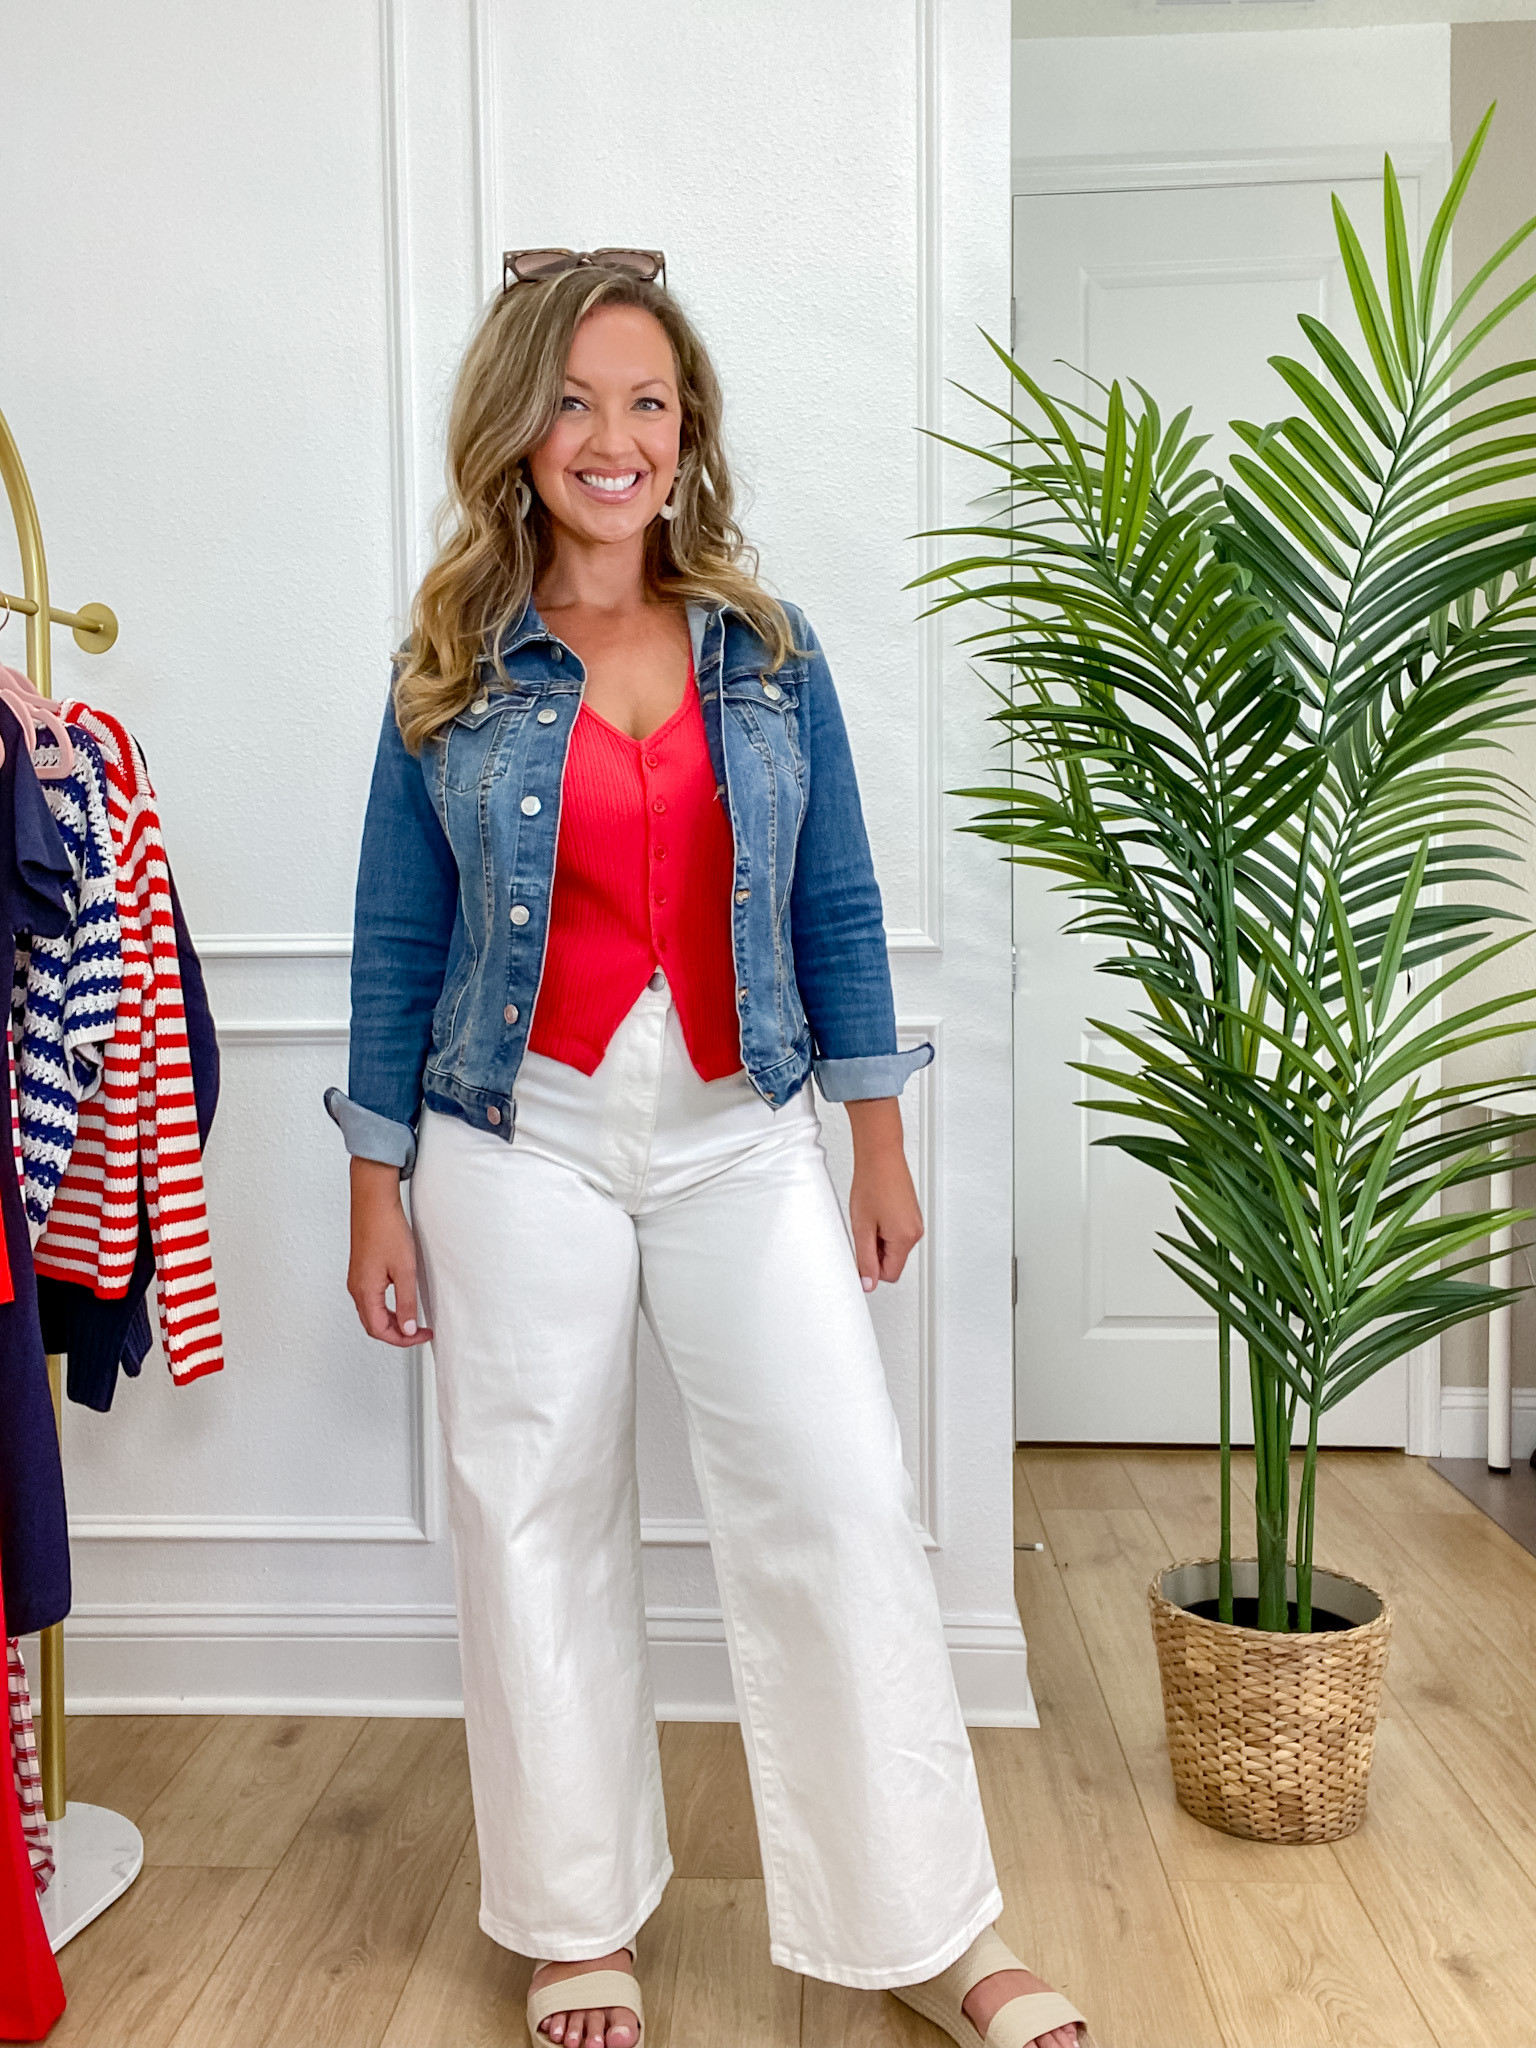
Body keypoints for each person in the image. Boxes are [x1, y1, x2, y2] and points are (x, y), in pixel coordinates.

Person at [325, 248, 1093, 2048]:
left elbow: (834, 896)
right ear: (518, 433)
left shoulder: (768, 649)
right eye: (576, 402)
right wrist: (377, 1186)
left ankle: (927, 1925)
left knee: (839, 1498)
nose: (614, 437)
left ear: (689, 432)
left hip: (743, 1133)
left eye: (648, 401)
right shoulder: (449, 661)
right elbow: (390, 936)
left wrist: (876, 1142)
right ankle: (575, 1924)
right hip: (514, 1138)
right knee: (534, 1520)